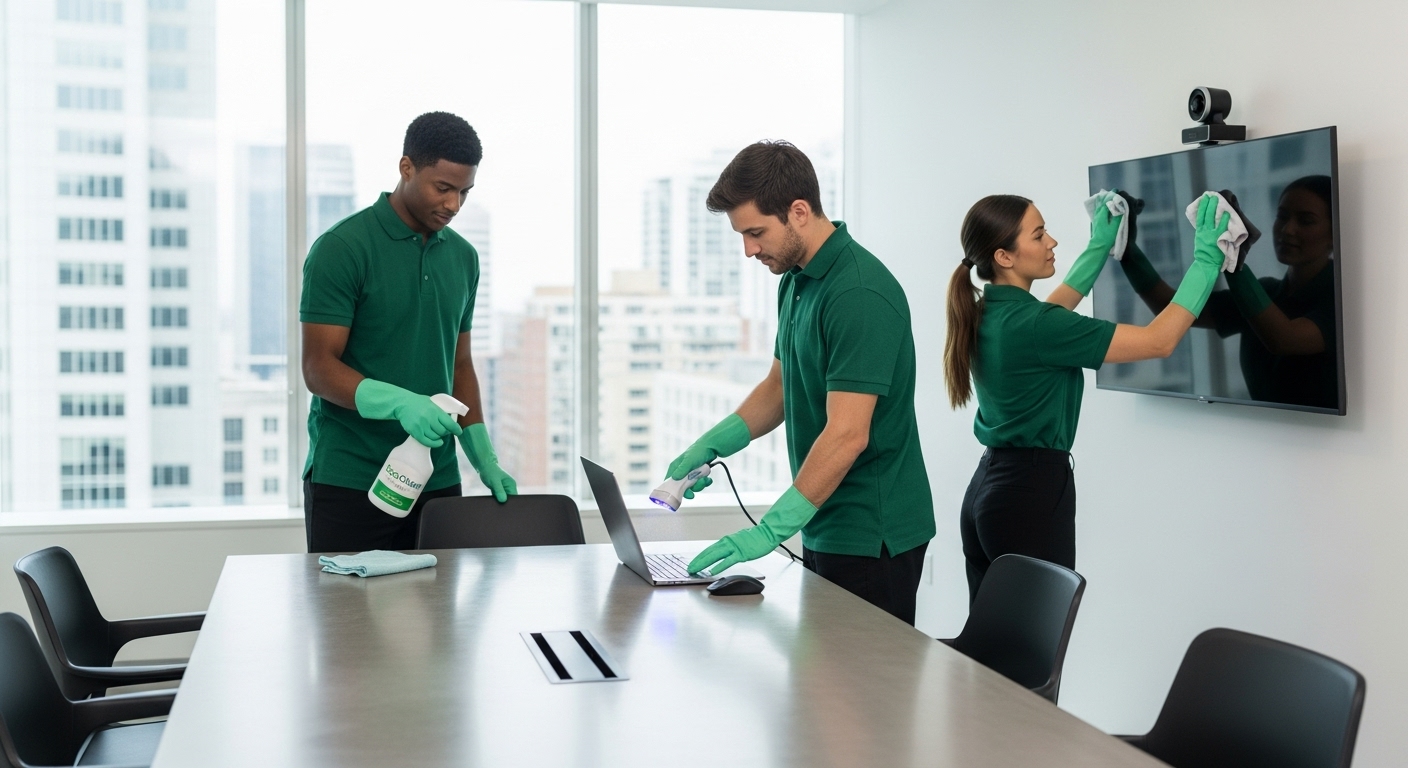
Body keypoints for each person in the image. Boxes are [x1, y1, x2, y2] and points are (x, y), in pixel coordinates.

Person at [672, 140, 935, 626]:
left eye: (755, 232)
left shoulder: (858, 293)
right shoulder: (797, 280)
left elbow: (847, 433)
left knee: (860, 696)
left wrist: (771, 529)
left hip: (872, 534)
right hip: (825, 521)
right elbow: (780, 386)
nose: (749, 250)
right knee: (820, 688)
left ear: (798, 211)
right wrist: (710, 446)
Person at [945, 192, 1230, 604]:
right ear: (1005, 257)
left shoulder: (990, 312)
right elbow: (1159, 341)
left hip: (987, 493)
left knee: (992, 652)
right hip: (1028, 497)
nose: (1052, 243)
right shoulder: (1040, 327)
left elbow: (1057, 306)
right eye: (1039, 235)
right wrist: (1208, 258)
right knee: (1030, 656)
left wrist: (1100, 245)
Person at [299, 111, 516, 553]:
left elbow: (459, 365)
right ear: (406, 168)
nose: (453, 204)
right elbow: (318, 368)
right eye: (443, 188)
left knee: (440, 621)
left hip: (437, 481)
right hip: (351, 478)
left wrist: (483, 457)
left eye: (464, 192)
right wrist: (400, 403)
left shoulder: (464, 258)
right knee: (349, 619)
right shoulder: (342, 248)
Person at [1117, 177, 1338, 409]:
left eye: (1306, 221)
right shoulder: (1266, 291)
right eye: (1282, 216)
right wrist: (1126, 247)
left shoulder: (1341, 299)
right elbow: (1171, 308)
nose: (1287, 229)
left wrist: (1231, 254)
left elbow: (1285, 339)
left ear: (1334, 234)